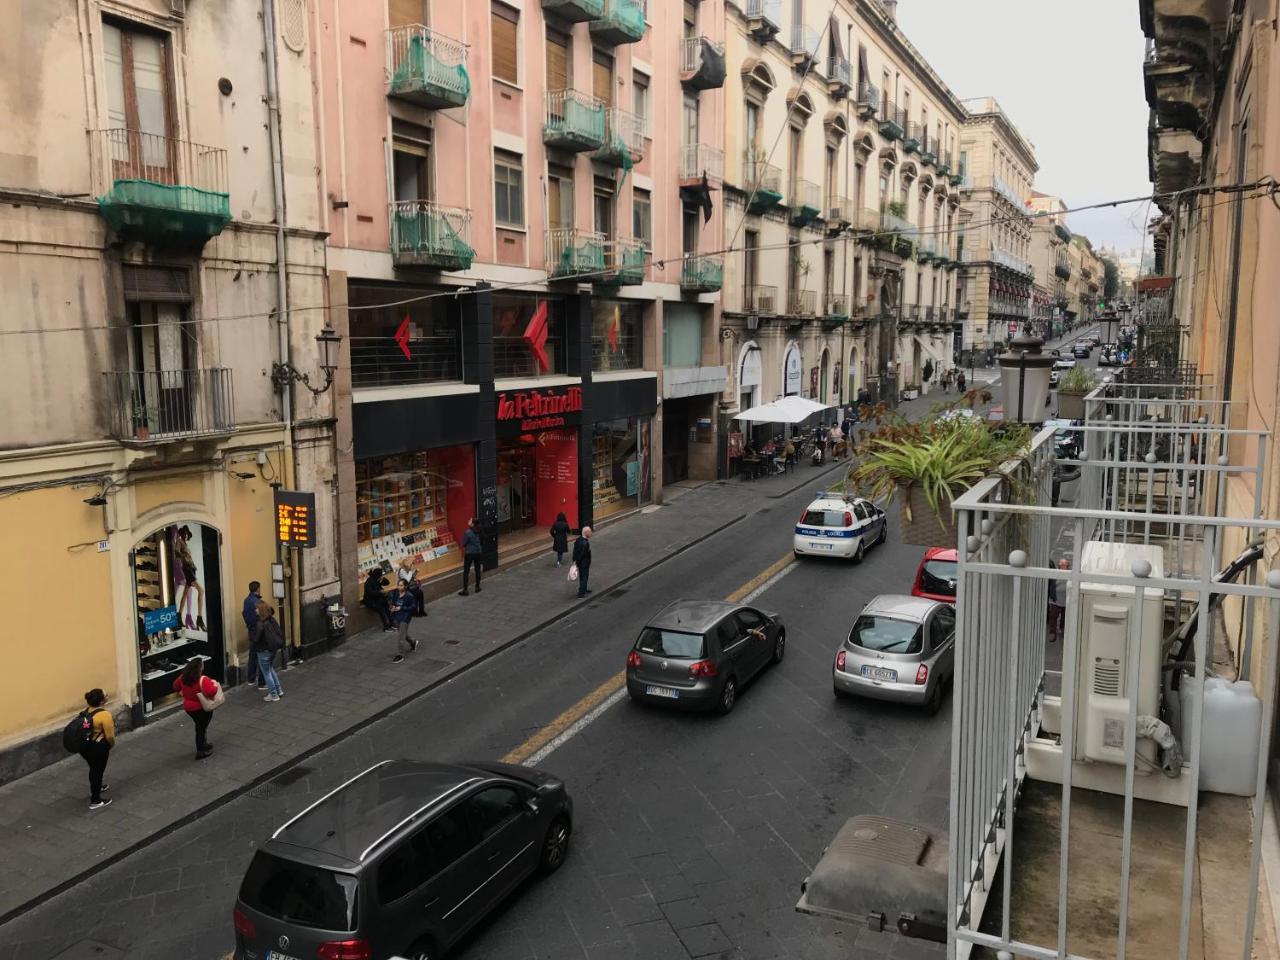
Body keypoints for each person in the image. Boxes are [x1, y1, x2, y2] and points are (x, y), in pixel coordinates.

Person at [173, 659, 218, 760]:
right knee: (201, 728)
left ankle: (204, 744)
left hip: (189, 708)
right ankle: (200, 751)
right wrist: (215, 685)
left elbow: (175, 686)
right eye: (202, 665)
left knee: (200, 726)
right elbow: (211, 692)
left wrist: (182, 692)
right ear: (199, 668)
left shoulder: (183, 678)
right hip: (201, 707)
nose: (203, 666)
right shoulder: (203, 679)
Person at [79, 689, 114, 810]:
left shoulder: (86, 712)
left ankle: (98, 787)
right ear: (101, 701)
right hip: (98, 748)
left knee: (94, 769)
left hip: (85, 748)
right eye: (105, 695)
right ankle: (95, 800)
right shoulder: (105, 715)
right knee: (97, 772)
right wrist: (110, 745)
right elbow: (110, 736)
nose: (107, 696)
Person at [252, 602, 285, 701]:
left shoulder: (260, 623)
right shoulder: (271, 619)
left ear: (261, 610)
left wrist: (252, 638)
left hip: (263, 651)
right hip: (273, 649)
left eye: (257, 608)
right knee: (270, 669)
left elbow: (256, 639)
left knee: (266, 672)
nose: (255, 610)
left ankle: (273, 694)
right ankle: (279, 690)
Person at [390, 579, 419, 663]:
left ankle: (400, 655)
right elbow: (394, 602)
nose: (399, 587)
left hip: (405, 617)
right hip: (397, 616)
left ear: (405, 586)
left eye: (401, 585)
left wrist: (401, 608)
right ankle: (413, 642)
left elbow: (413, 607)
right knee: (403, 634)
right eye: (398, 585)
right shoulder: (396, 592)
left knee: (400, 637)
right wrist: (393, 607)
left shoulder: (409, 595)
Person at [242, 581, 263, 689]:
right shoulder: (258, 602)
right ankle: (262, 682)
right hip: (258, 631)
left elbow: (244, 614)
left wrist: (249, 625)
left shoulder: (246, 601)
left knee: (252, 655)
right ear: (258, 589)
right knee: (262, 655)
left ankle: (251, 679)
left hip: (251, 630)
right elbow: (261, 617)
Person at [460, 518, 483, 595]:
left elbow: (464, 543)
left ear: (472, 524)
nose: (468, 521)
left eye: (470, 520)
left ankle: (465, 589)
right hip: (478, 552)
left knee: (466, 571)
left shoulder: (468, 532)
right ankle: (477, 587)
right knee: (477, 569)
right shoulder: (479, 530)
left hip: (469, 553)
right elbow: (482, 540)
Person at [572, 526, 593, 599]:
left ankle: (584, 589)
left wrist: (575, 560)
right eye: (590, 531)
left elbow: (575, 551)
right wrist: (578, 561)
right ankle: (581, 593)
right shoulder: (585, 543)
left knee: (583, 577)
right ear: (586, 532)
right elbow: (582, 554)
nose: (591, 533)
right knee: (584, 577)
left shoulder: (579, 540)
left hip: (581, 563)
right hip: (584, 563)